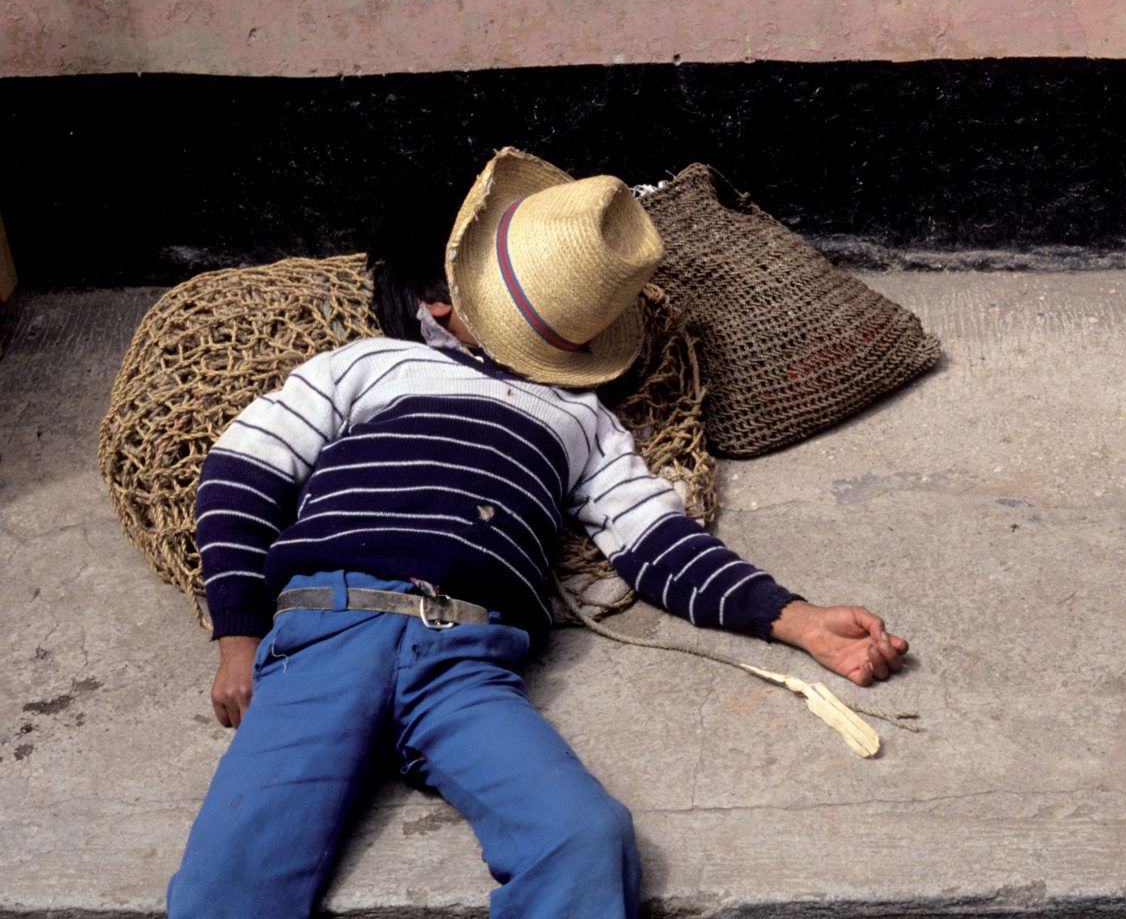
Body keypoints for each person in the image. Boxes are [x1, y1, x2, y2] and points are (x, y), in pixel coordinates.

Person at [166, 148, 909, 918]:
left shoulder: (582, 419)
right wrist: (239, 637)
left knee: (584, 837)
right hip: (330, 629)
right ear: (440, 305)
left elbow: (658, 545)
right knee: (232, 875)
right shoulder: (371, 365)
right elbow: (240, 474)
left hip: (463, 662)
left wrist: (802, 621)